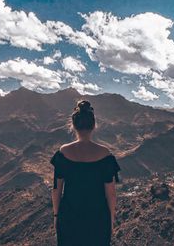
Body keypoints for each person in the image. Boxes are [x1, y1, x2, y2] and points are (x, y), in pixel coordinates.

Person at [50, 99, 121, 246]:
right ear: (94, 125)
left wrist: (56, 215)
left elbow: (57, 190)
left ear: (73, 125)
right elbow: (111, 193)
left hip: (69, 219)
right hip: (98, 220)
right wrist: (111, 220)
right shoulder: (106, 155)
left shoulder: (63, 153)